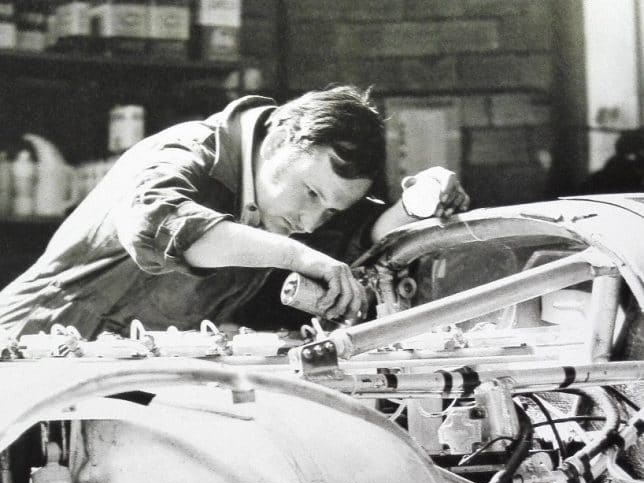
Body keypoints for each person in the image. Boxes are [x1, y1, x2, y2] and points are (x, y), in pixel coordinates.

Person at [0, 86, 469, 340]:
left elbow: (360, 239)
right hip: (26, 361)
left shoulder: (280, 209)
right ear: (284, 138)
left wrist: (417, 206)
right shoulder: (187, 151)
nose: (310, 224)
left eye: (329, 210)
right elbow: (156, 225)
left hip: (124, 381)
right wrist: (298, 258)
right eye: (310, 194)